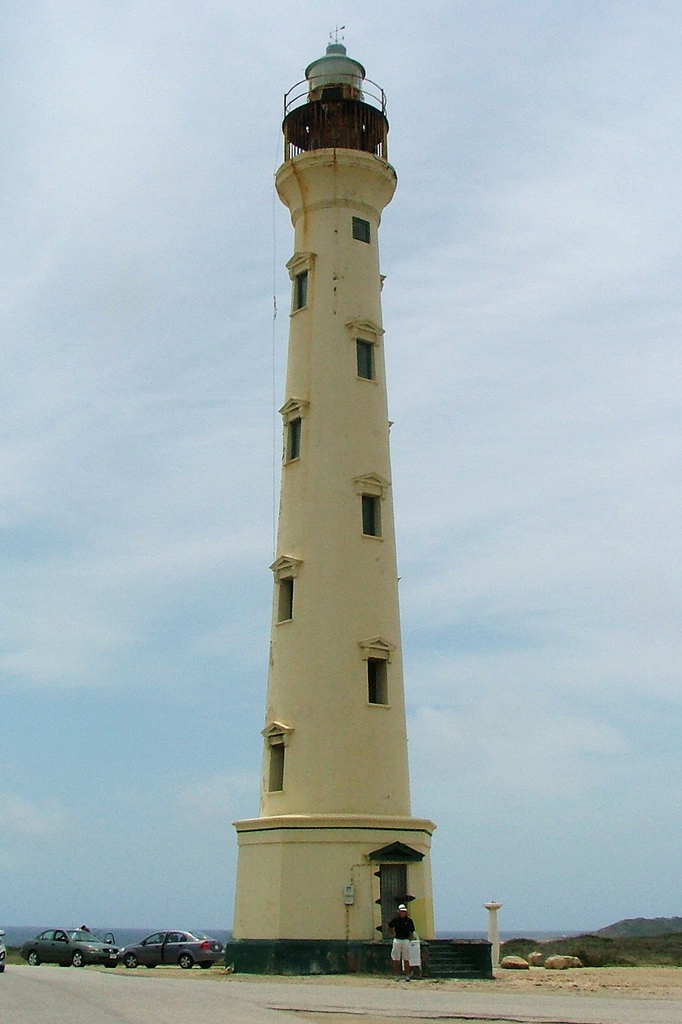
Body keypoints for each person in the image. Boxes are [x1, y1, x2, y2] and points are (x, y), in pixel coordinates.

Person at [388, 903, 415, 980]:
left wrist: (410, 938)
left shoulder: (409, 921)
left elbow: (412, 931)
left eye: (404, 911)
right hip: (397, 940)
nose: (403, 913)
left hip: (406, 940)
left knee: (406, 958)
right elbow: (389, 926)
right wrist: (393, 934)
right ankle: (396, 975)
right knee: (396, 959)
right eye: (402, 911)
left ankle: (407, 975)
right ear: (399, 912)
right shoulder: (395, 920)